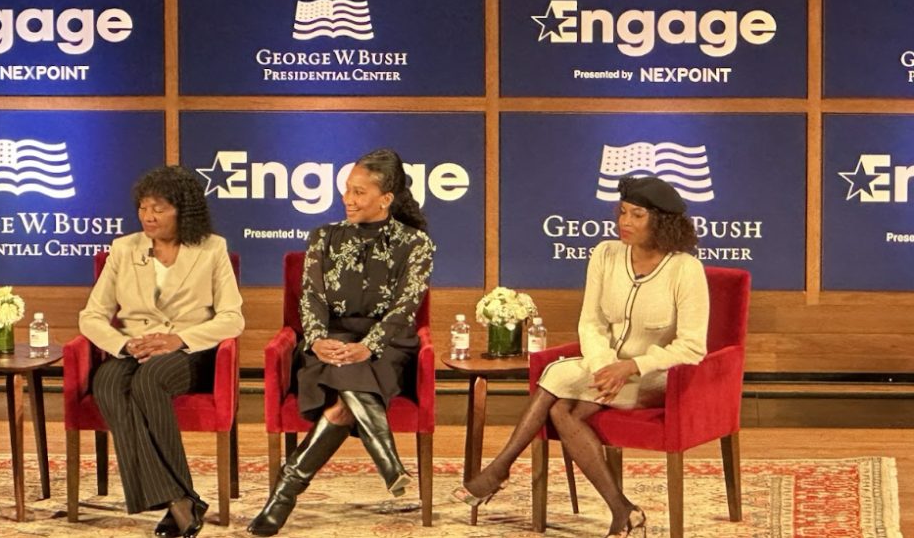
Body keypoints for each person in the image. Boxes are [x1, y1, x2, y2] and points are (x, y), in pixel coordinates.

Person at [452, 175, 709, 538]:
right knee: (556, 390)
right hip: (603, 366)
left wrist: (632, 366)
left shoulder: (685, 269)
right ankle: (622, 510)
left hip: (658, 374)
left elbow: (692, 347)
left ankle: (498, 472)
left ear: (662, 222)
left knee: (561, 406)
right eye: (622, 213)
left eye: (637, 215)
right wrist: (604, 365)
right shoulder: (605, 254)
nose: (624, 222)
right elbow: (591, 323)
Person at [247, 148, 434, 536]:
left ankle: (284, 493)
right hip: (330, 340)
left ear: (386, 199)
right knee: (344, 375)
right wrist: (315, 341)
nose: (348, 199)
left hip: (388, 345)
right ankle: (388, 461)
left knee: (343, 401)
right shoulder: (323, 237)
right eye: (347, 189)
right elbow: (311, 297)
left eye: (359, 192)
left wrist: (371, 344)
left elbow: (406, 308)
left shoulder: (416, 244)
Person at [79, 165, 244, 538]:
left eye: (159, 208)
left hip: (189, 353)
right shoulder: (124, 249)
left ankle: (175, 499)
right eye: (142, 207)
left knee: (150, 380)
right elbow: (91, 316)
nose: (148, 216)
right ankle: (180, 499)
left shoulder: (211, 248)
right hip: (133, 349)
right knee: (106, 383)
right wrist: (123, 344)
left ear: (183, 210)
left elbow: (232, 318)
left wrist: (179, 340)